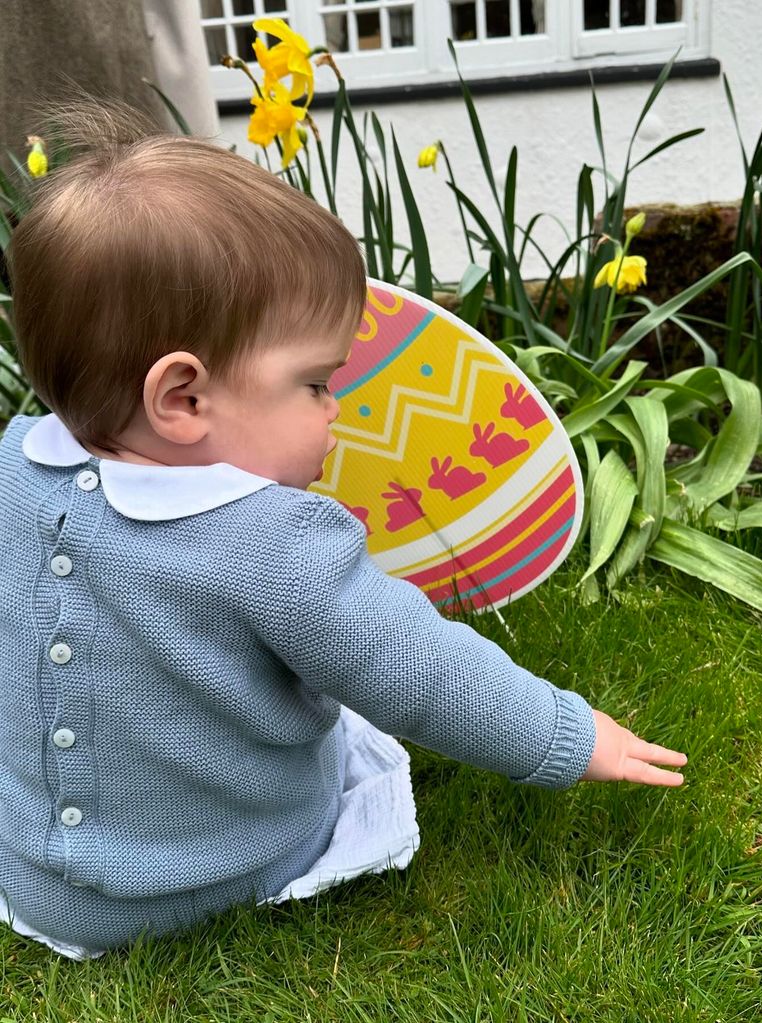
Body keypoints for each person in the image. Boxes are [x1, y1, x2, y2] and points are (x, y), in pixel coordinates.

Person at [0, 102, 687, 959]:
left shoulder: (14, 469)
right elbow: (419, 671)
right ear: (183, 399)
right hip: (216, 876)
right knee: (358, 736)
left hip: (38, 879)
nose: (335, 413)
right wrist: (563, 732)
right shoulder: (274, 542)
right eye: (317, 385)